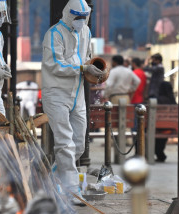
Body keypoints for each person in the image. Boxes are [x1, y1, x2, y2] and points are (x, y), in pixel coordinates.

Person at [41, 0, 106, 205]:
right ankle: (71, 191)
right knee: (65, 142)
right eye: (77, 17)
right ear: (68, 14)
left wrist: (93, 70)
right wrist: (81, 69)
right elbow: (54, 64)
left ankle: (52, 178)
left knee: (78, 143)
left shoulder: (85, 31)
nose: (80, 21)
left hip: (77, 94)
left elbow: (86, 58)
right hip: (56, 93)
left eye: (83, 17)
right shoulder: (54, 34)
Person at [155, 81, 176, 162]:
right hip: (169, 129)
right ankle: (160, 154)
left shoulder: (157, 100)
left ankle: (159, 154)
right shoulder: (173, 102)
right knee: (163, 130)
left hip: (156, 128)